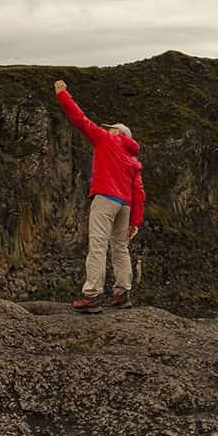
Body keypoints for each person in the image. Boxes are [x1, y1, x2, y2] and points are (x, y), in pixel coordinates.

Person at [52, 79, 145, 313]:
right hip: (124, 205)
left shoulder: (106, 139)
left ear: (118, 132)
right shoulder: (133, 159)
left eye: (111, 127)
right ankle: (122, 294)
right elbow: (139, 193)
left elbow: (79, 120)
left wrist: (63, 94)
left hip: (106, 198)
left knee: (98, 245)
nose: (108, 129)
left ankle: (92, 295)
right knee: (120, 248)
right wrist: (135, 222)